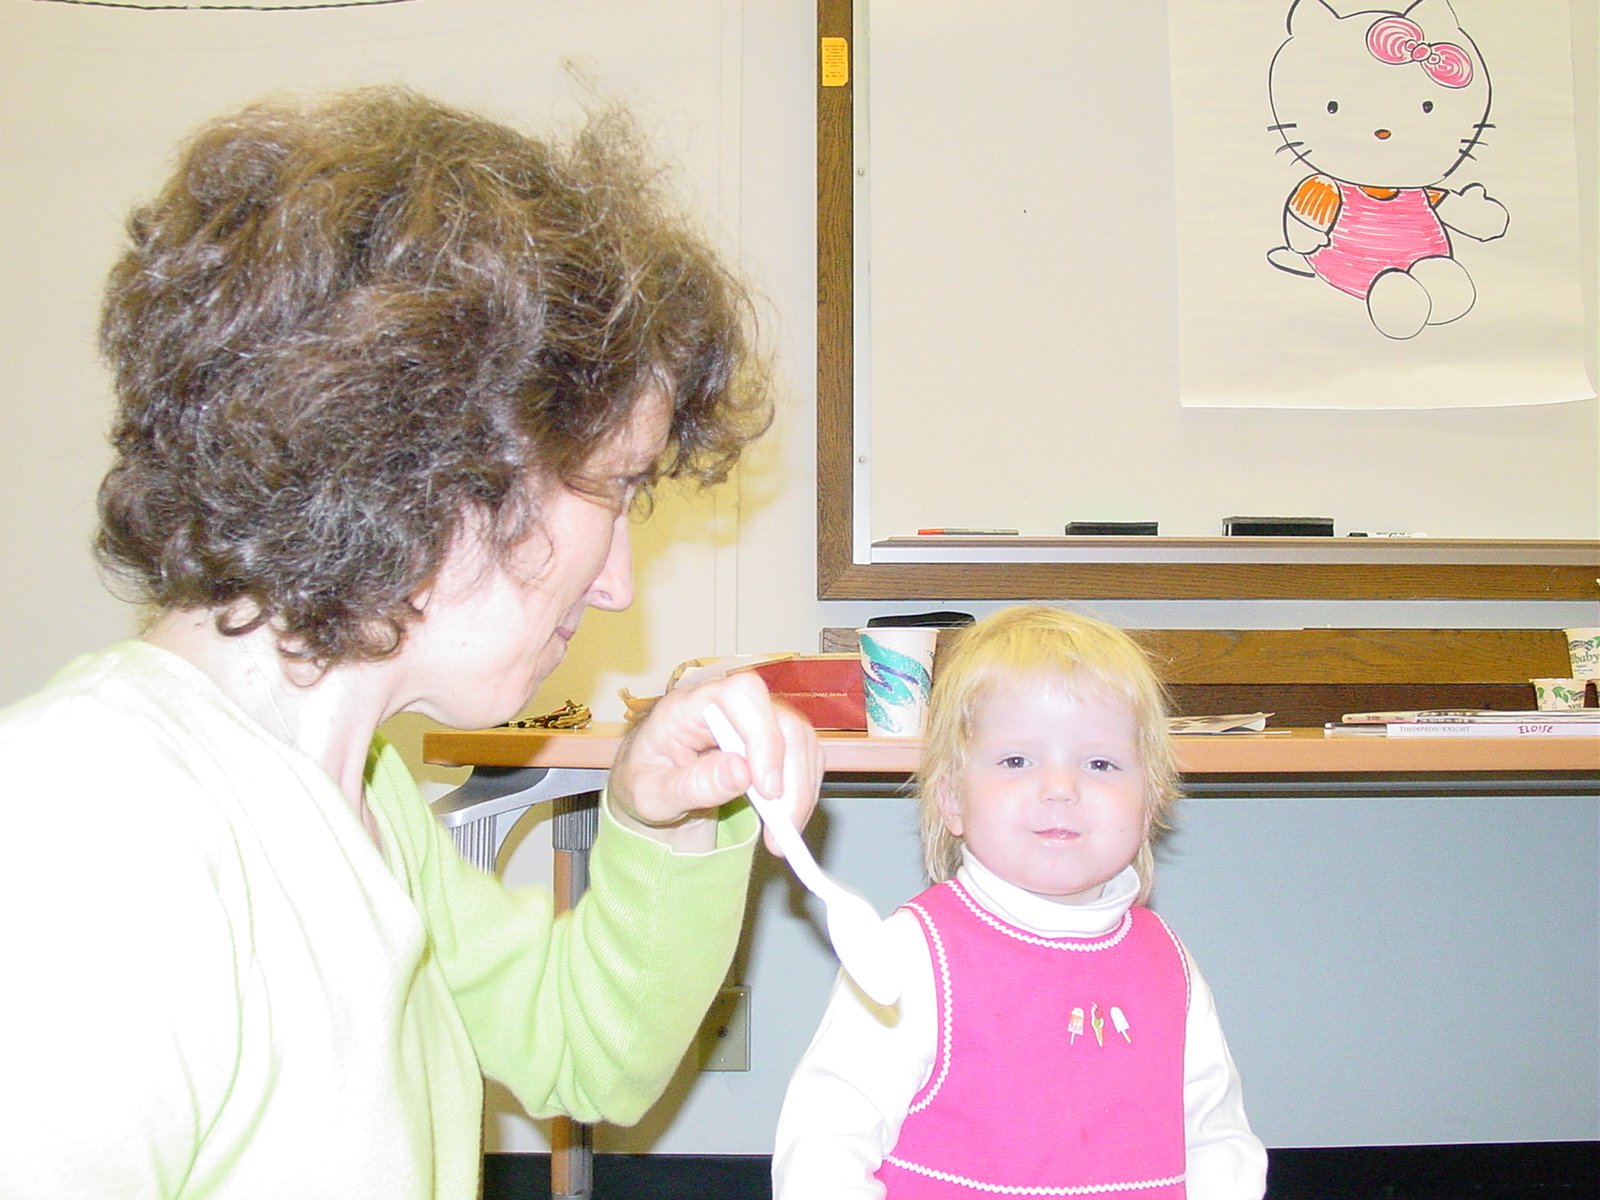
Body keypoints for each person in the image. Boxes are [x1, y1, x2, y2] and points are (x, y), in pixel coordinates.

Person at [0, 86, 821, 1199]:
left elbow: (587, 1050)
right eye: (618, 489)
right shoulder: (90, 834)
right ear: (439, 458)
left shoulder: (363, 792)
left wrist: (658, 820)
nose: (617, 583)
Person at [772, 606, 1267, 1199]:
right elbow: (826, 1144)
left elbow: (1217, 1141)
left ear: (1151, 801)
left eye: (1100, 763)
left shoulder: (1169, 963)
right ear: (952, 799)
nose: (1060, 787)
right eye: (1016, 761)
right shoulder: (913, 954)